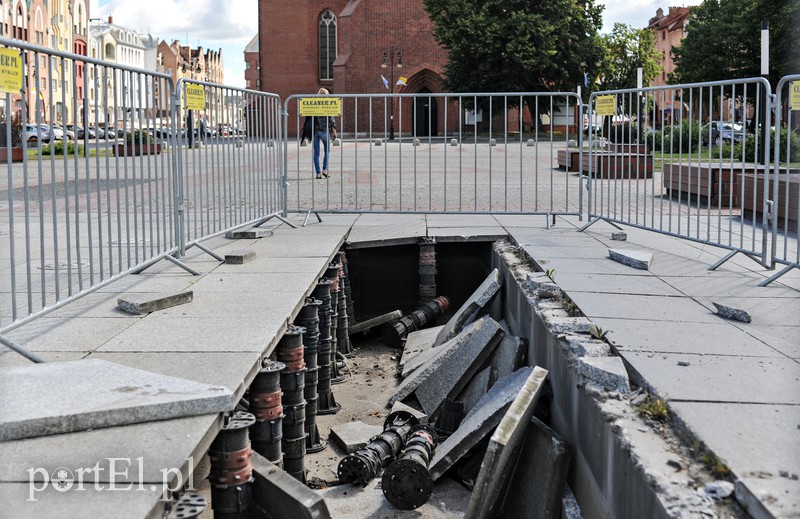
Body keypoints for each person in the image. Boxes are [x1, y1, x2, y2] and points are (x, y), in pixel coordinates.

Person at [311, 87, 337, 179]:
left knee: (316, 153)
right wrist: (333, 130)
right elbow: (331, 118)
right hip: (325, 130)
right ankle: (325, 170)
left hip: (315, 131)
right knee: (327, 151)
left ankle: (318, 173)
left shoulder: (314, 104)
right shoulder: (328, 104)